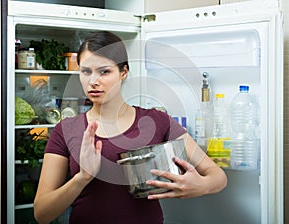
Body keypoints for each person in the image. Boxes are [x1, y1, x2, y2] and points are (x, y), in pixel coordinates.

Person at [33, 31, 227, 224]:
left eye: (104, 71)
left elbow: (218, 176)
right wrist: (82, 178)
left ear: (123, 72)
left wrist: (201, 185)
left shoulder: (158, 121)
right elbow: (42, 214)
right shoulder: (65, 130)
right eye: (86, 71)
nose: (93, 81)